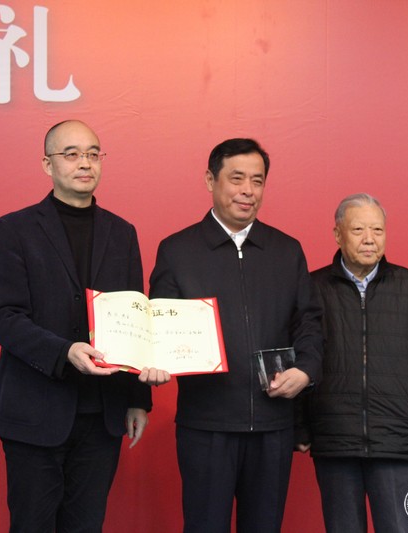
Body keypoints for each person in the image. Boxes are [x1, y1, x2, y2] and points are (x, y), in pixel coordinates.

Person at [0, 119, 168, 532]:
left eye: (93, 154)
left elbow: (134, 315)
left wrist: (138, 399)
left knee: (86, 526)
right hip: (35, 409)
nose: (85, 163)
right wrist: (63, 352)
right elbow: (3, 316)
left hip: (102, 414)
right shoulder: (13, 230)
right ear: (47, 165)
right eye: (71, 154)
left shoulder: (122, 233)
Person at [149, 138, 323, 533]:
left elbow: (309, 323)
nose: (248, 190)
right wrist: (155, 359)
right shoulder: (177, 250)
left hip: (273, 425)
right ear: (210, 180)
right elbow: (159, 325)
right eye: (237, 178)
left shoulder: (286, 251)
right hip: (206, 424)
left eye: (257, 181)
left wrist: (306, 370)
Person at [295, 193, 408, 532]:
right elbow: (299, 357)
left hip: (396, 436)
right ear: (338, 234)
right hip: (334, 437)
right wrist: (301, 425)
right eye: (358, 229)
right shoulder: (312, 288)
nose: (369, 239)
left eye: (377, 230)